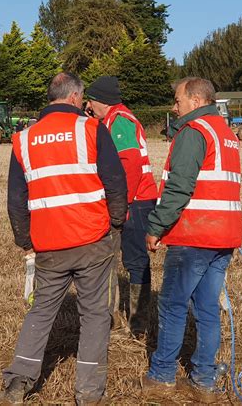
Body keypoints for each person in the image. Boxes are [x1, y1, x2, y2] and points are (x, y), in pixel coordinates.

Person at [0, 72, 128, 405]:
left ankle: (17, 384)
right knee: (95, 315)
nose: (84, 104)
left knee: (41, 311)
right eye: (82, 99)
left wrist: (26, 239)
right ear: (73, 97)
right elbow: (115, 182)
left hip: (49, 242)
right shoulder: (92, 129)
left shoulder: (24, 139)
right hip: (92, 238)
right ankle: (88, 392)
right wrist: (114, 221)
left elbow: (16, 198)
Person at [142, 77, 242, 403]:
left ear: (196, 101)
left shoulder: (193, 132)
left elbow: (179, 187)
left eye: (177, 100)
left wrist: (156, 226)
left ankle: (161, 377)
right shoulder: (225, 134)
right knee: (207, 310)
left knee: (172, 306)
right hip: (223, 236)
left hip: (194, 236)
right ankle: (204, 380)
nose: (175, 107)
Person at [85, 76, 157, 335]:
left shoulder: (120, 122)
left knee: (136, 261)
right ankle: (124, 319)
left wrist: (121, 204)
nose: (89, 106)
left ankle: (139, 324)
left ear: (100, 100)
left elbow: (130, 166)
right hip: (133, 200)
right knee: (123, 260)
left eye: (91, 101)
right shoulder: (113, 120)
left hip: (136, 202)